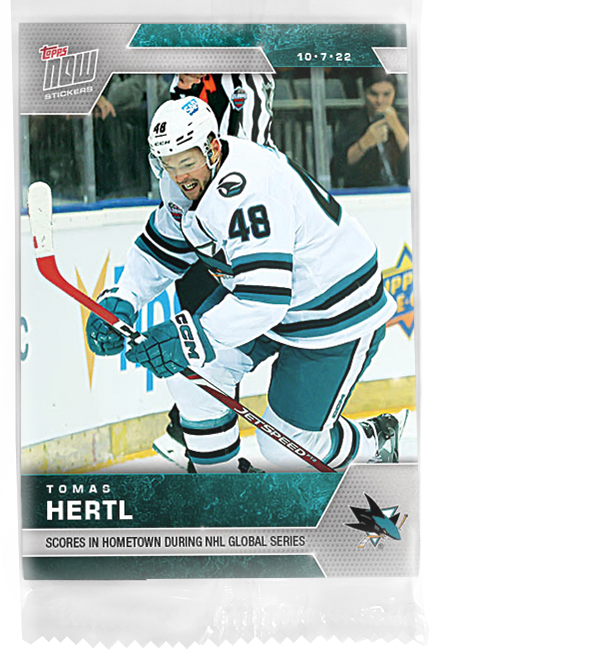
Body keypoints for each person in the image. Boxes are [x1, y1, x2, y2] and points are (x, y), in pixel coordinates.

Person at [85, 97, 406, 472]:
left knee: (286, 447)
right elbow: (161, 248)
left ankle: (376, 439)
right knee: (194, 378)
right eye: (168, 165)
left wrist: (187, 337)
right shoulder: (182, 182)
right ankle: (223, 490)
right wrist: (123, 298)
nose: (179, 176)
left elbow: (263, 300)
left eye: (187, 163)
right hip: (265, 298)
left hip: (332, 311)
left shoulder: (251, 189)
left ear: (212, 148)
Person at [154, 73, 276, 467]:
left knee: (221, 331)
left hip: (240, 221)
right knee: (200, 341)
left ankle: (199, 438)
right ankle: (201, 440)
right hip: (198, 223)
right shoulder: (182, 84)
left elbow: (251, 153)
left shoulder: (243, 72)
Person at [331, 70, 409, 188]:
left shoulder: (405, 120)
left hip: (400, 189)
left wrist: (397, 128)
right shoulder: (351, 122)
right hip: (363, 190)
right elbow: (338, 167)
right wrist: (365, 142)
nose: (380, 101)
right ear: (364, 92)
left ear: (395, 93)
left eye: (386, 94)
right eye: (374, 94)